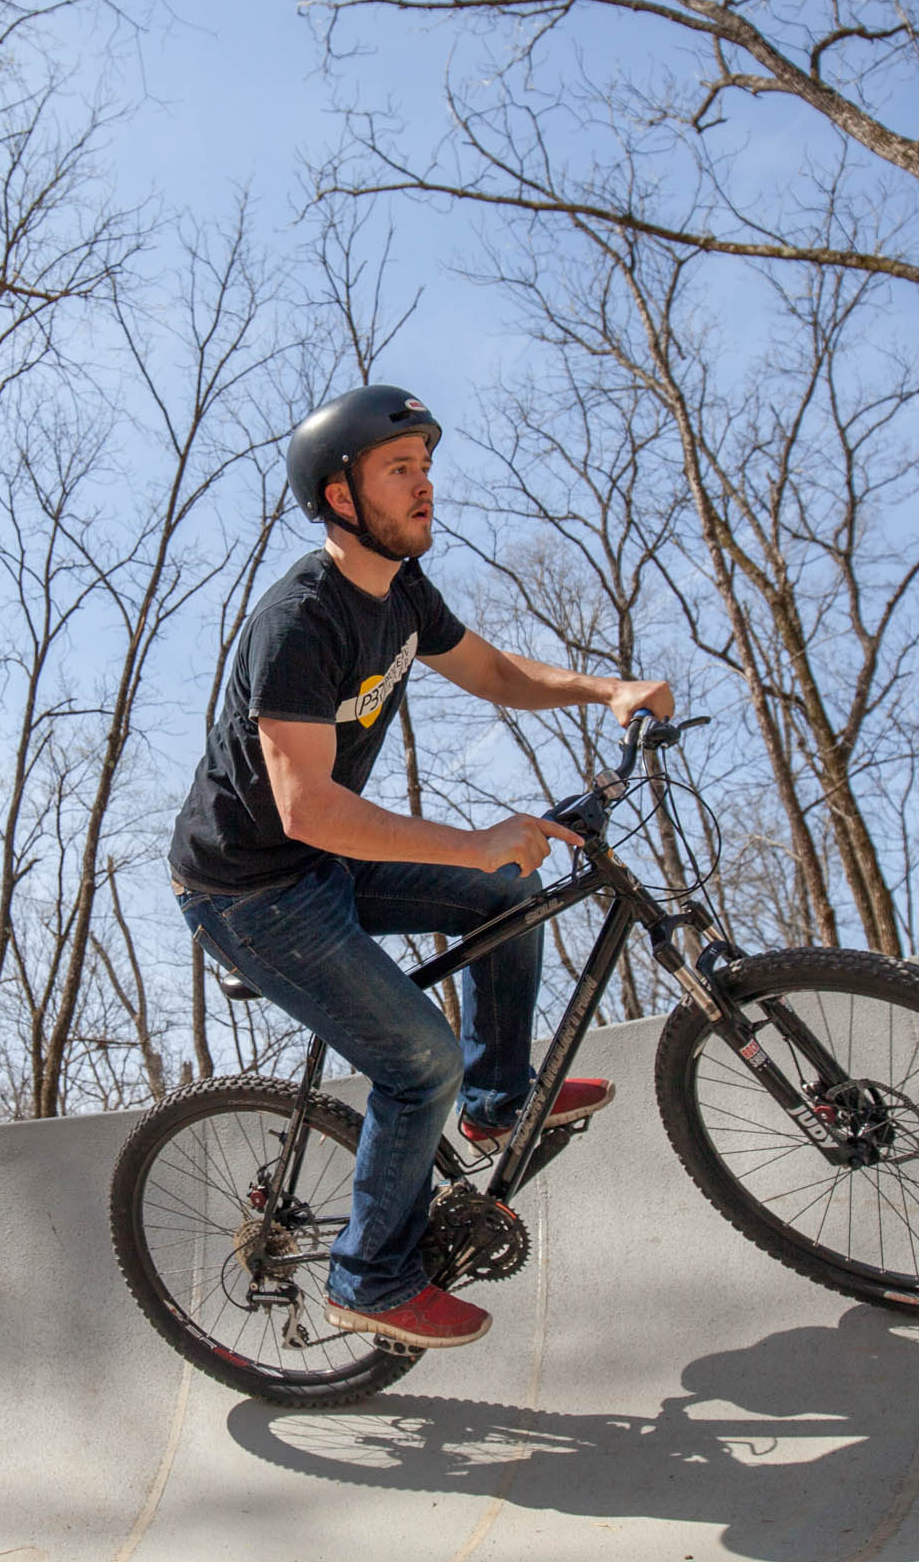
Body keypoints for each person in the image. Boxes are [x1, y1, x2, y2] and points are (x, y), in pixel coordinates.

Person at [168, 385, 674, 1351]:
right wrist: (474, 839)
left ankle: (498, 1104)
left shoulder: (401, 595)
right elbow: (307, 808)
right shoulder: (298, 622)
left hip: (321, 862)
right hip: (249, 893)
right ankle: (368, 1278)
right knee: (417, 1061)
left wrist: (605, 688)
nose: (425, 485)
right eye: (400, 469)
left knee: (508, 892)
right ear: (341, 496)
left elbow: (492, 672)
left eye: (426, 466)